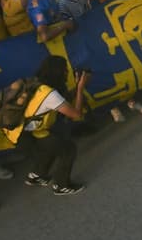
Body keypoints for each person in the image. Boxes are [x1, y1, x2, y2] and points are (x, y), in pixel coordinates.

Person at [19, 55, 90, 195]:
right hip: (30, 133)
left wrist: (77, 87)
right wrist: (80, 89)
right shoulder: (49, 94)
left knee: (50, 148)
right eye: (65, 70)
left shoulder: (38, 84)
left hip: (22, 130)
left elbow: (62, 102)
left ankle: (36, 176)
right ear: (58, 72)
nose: (67, 73)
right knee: (67, 149)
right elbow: (76, 115)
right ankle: (61, 186)